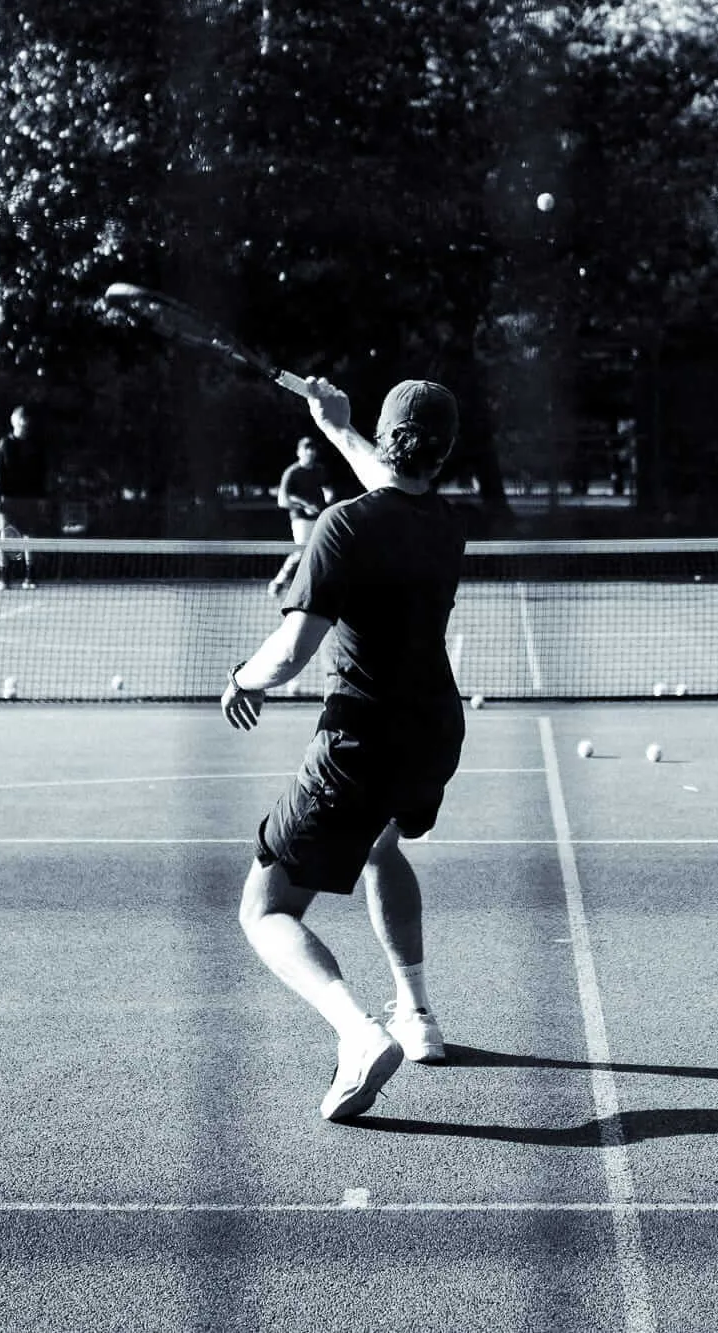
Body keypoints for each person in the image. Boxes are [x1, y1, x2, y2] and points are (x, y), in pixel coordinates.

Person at [221, 378, 467, 1122]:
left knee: (264, 909)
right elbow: (392, 486)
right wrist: (338, 427)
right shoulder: (444, 523)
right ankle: (417, 1016)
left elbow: (294, 653)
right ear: (446, 450)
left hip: (361, 739)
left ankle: (359, 1034)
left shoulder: (340, 525)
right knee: (382, 848)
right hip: (433, 735)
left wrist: (242, 677)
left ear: (387, 437)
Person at [268, 436, 336, 598]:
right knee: (301, 552)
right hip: (300, 519)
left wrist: (328, 498)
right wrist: (305, 506)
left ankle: (318, 585)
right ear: (299, 452)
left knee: (321, 551)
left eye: (312, 448)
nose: (310, 452)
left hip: (319, 517)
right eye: (306, 448)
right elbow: (282, 501)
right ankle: (278, 582)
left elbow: (327, 489)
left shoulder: (320, 470)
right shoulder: (292, 472)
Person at [0, 406, 48, 590]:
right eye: (20, 420)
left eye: (26, 420)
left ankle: (29, 577)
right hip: (8, 499)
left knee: (29, 537)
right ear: (14, 422)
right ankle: (3, 577)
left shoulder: (35, 445)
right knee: (5, 536)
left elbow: (41, 473)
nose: (24, 423)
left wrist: (41, 497)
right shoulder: (5, 444)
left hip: (30, 498)